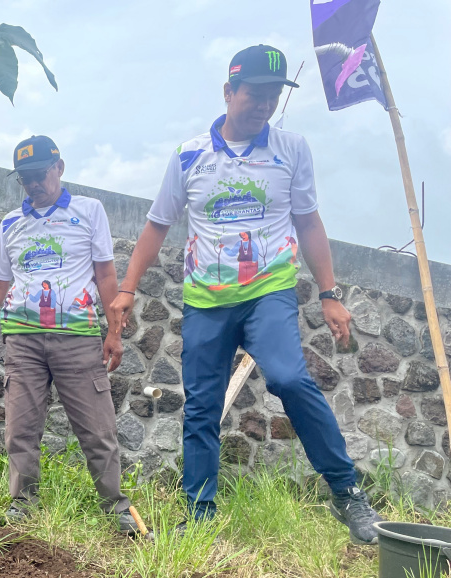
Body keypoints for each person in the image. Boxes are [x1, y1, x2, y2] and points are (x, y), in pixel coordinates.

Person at [108, 44, 384, 544]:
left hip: (268, 291)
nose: (263, 105)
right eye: (254, 94)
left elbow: (309, 221)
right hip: (206, 300)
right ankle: (199, 518)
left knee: (289, 378)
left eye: (273, 96)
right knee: (201, 407)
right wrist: (127, 288)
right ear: (229, 91)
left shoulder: (292, 149)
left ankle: (347, 494)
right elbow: (156, 225)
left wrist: (329, 292)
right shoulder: (190, 155)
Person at [0, 136, 137, 533]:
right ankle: (21, 505)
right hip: (22, 343)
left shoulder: (89, 211)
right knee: (20, 428)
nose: (34, 184)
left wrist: (114, 331)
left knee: (98, 428)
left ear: (59, 168)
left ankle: (116, 508)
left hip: (78, 340)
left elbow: (106, 274)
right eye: (25, 179)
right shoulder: (10, 223)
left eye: (40, 174)